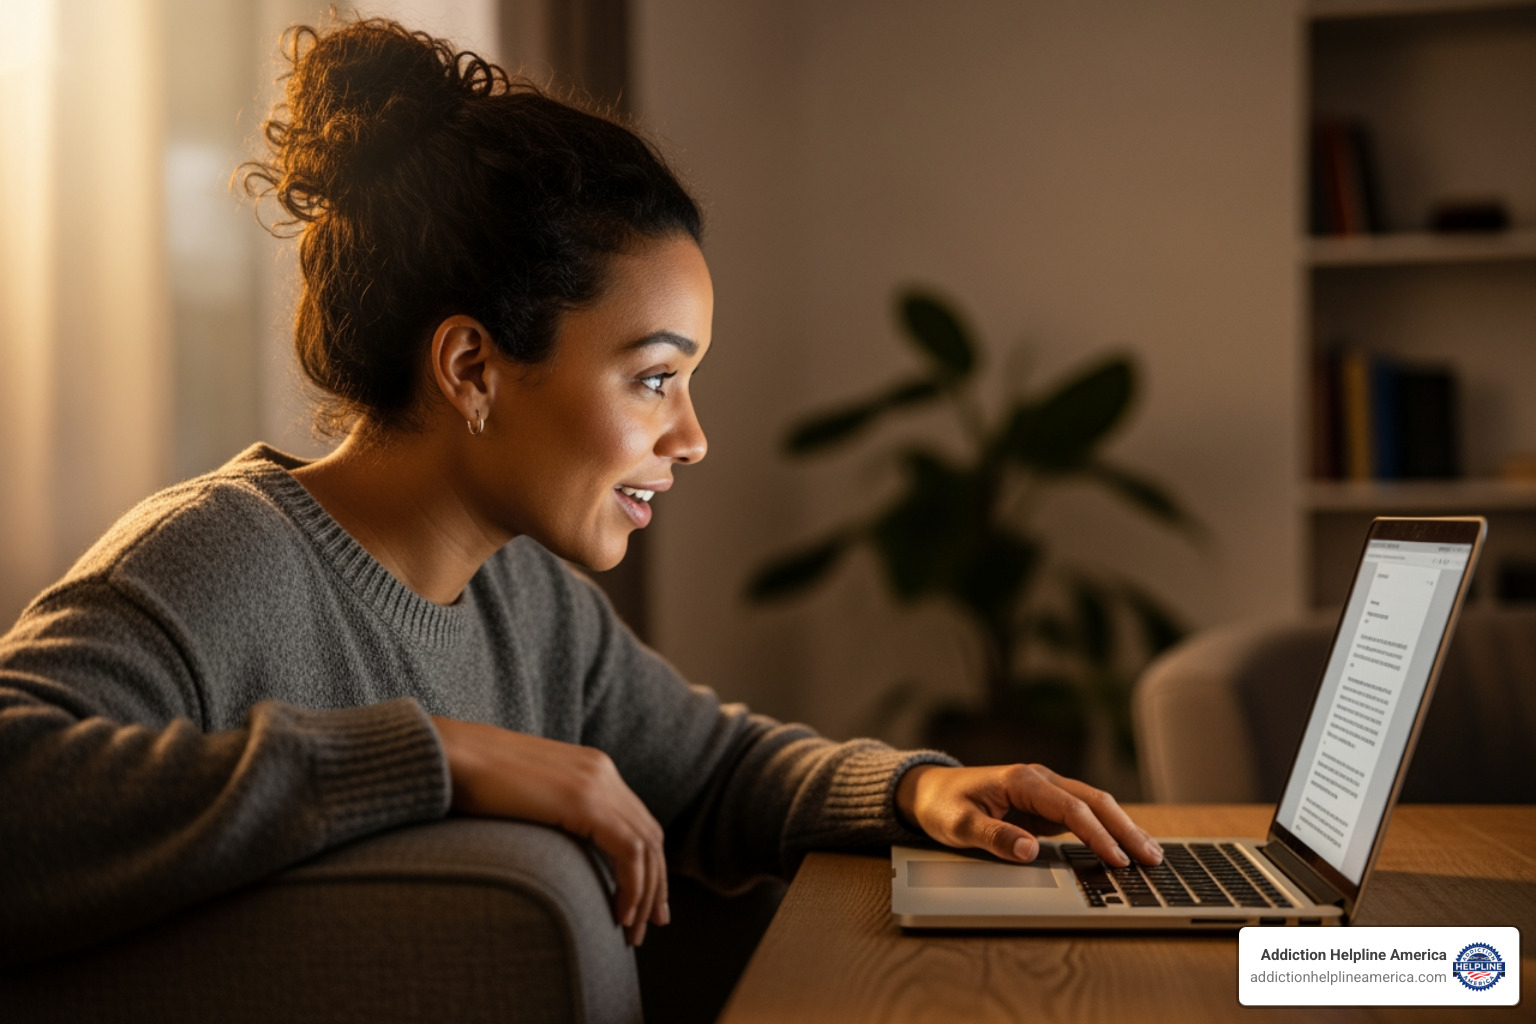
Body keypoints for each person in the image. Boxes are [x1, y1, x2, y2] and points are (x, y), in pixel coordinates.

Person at [0, 17, 1160, 967]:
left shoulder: (526, 600)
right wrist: (437, 754)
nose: (693, 438)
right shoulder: (223, 559)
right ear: (472, 369)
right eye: (655, 377)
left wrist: (922, 791)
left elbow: (714, 768)